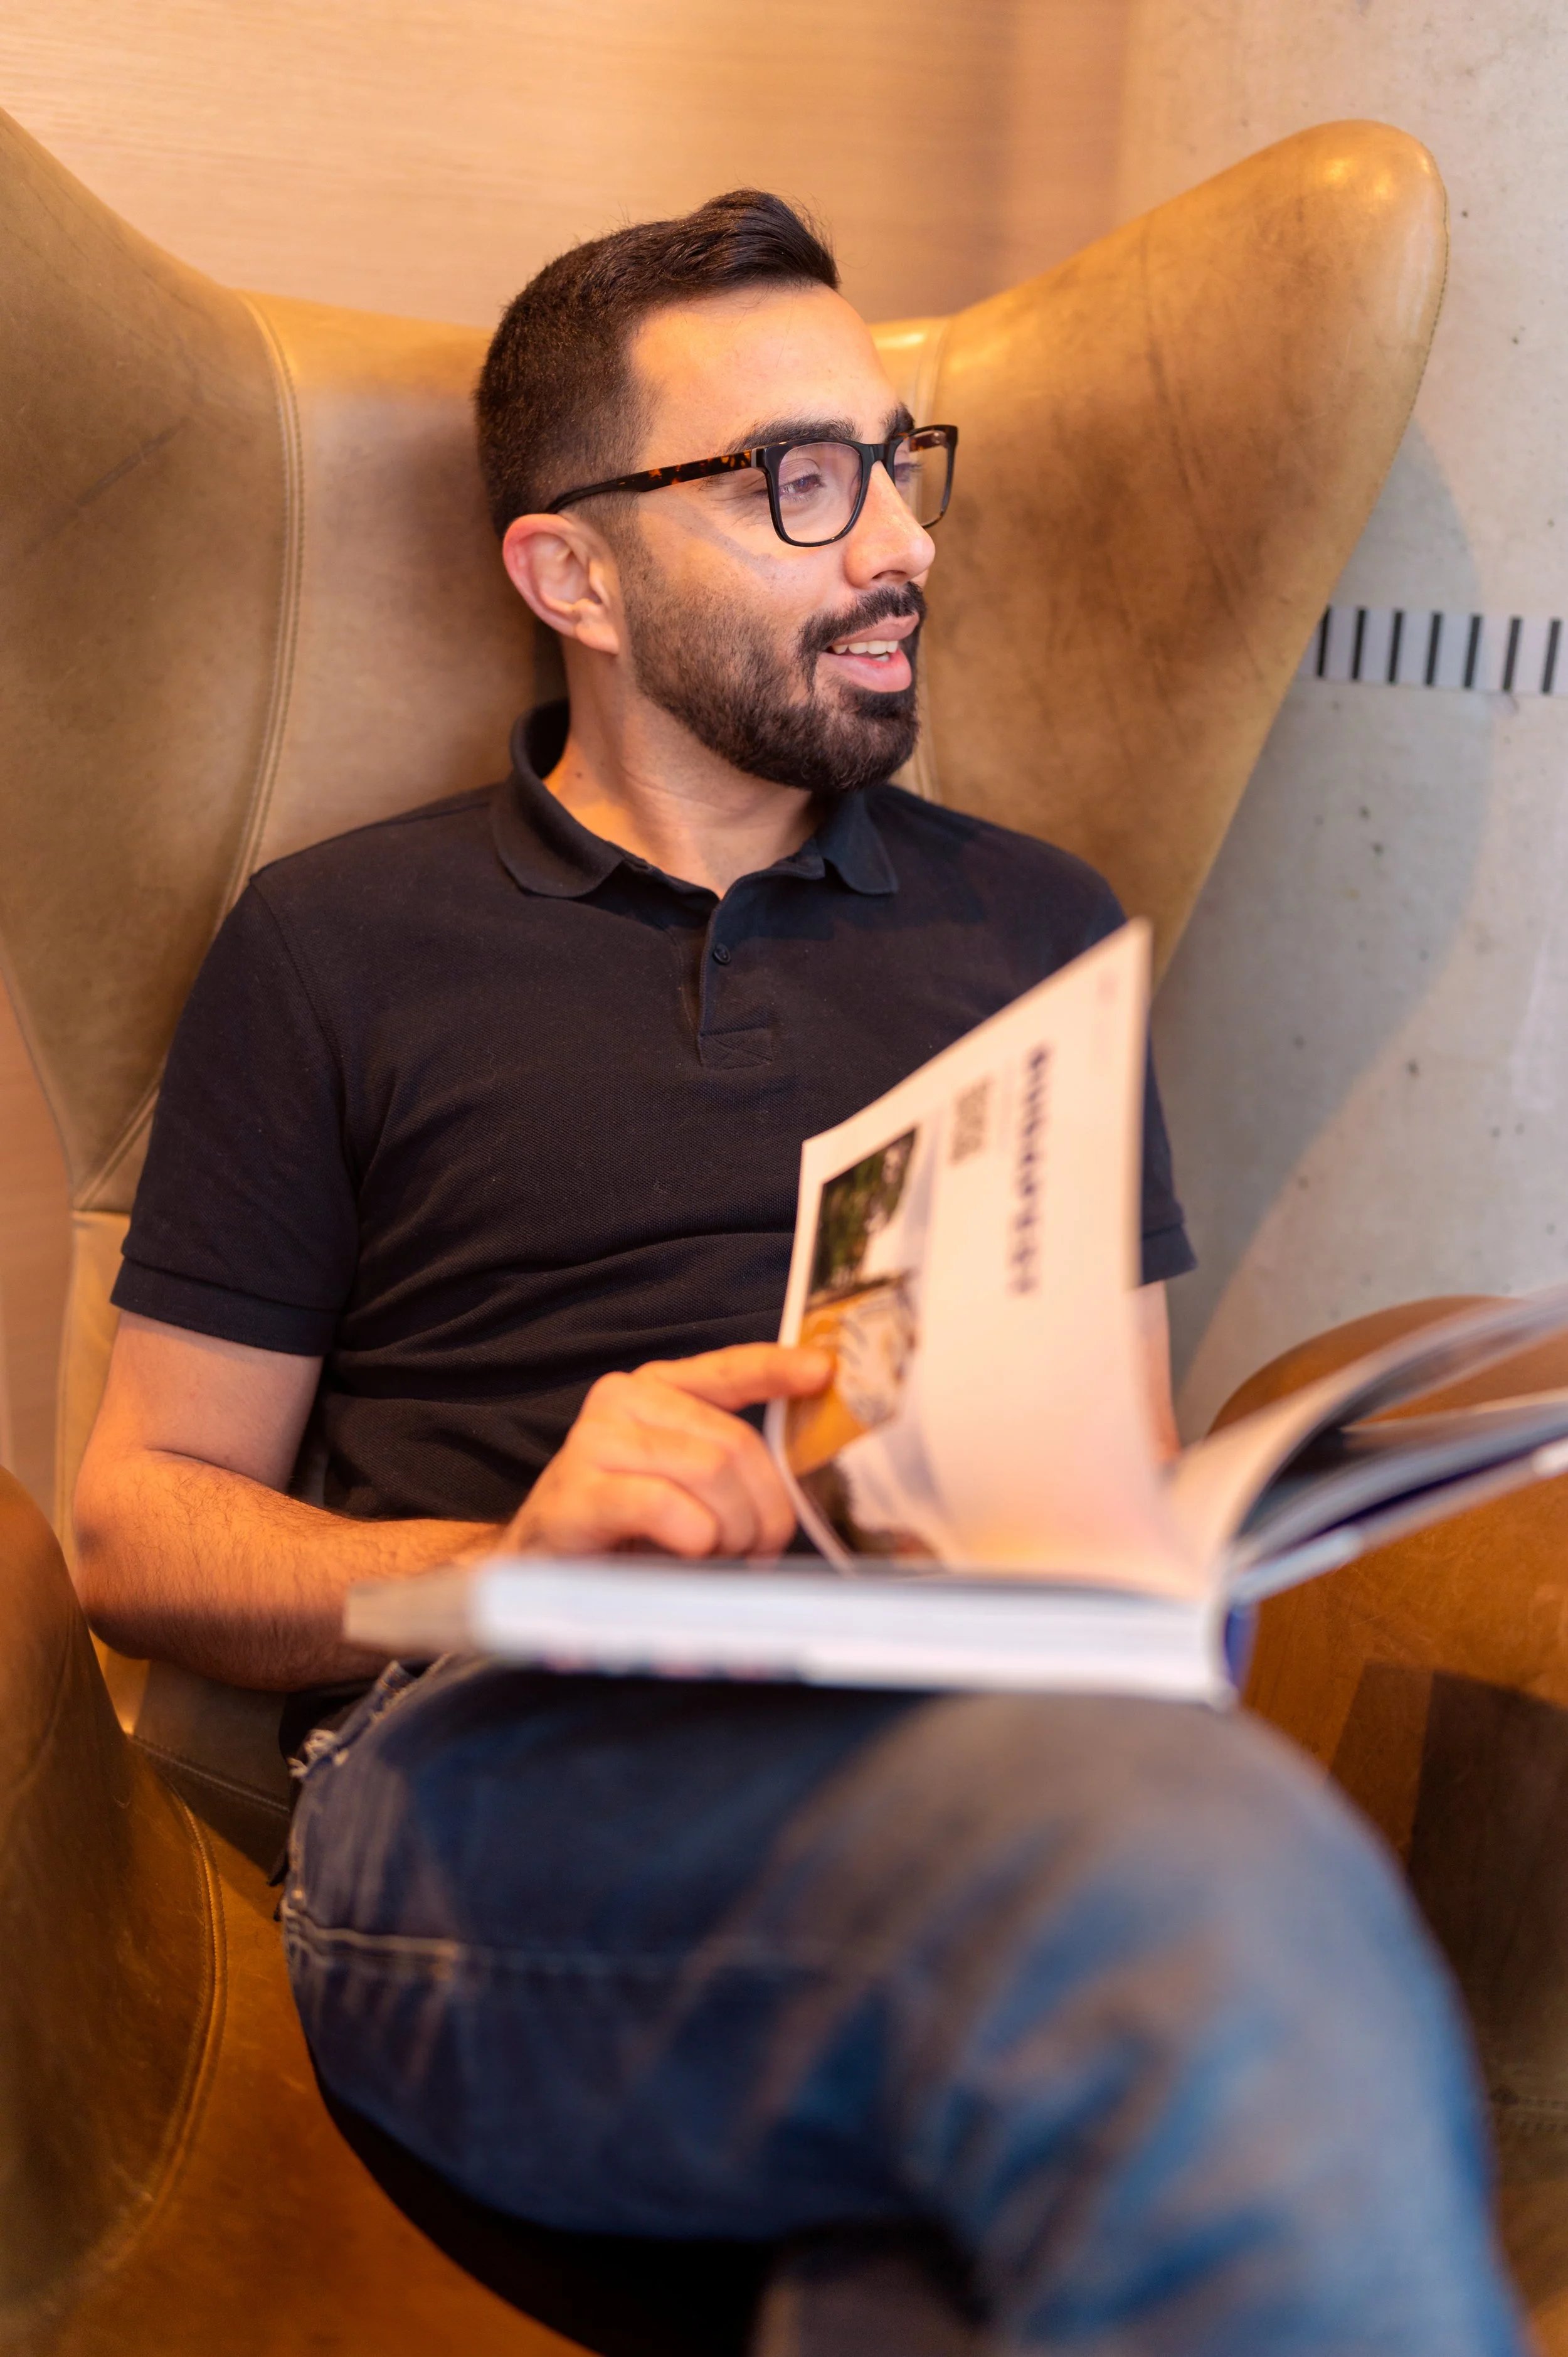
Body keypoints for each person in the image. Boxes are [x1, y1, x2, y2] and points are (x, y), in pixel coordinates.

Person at [72, 190, 1525, 2353]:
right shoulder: (335, 941)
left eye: (890, 462)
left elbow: (1100, 1477)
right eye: (796, 482)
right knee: (1189, 1909)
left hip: (961, 1744)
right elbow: (133, 1521)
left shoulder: (1034, 932)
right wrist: (514, 1551)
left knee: (983, 2173)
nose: (901, 548)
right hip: (491, 1774)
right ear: (571, 570)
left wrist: (1135, 1562)